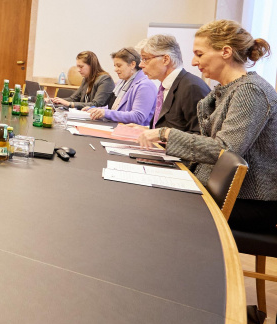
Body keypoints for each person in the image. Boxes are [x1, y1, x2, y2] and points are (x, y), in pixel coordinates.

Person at [138, 20, 277, 234]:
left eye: (200, 54)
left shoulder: (251, 90)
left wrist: (166, 134)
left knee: (159, 207)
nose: (193, 62)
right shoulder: (228, 89)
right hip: (228, 191)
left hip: (250, 200)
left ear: (226, 52)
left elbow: (225, 150)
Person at [125, 34, 210, 134]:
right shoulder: (165, 86)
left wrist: (159, 135)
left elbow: (201, 136)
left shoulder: (192, 87)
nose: (141, 65)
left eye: (145, 59)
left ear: (165, 59)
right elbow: (170, 126)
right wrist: (148, 130)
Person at [87, 47, 156, 125]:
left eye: (119, 66)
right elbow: (114, 108)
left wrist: (106, 113)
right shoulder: (121, 82)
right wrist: (95, 110)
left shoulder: (145, 86)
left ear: (132, 64)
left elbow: (138, 116)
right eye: (115, 66)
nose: (115, 69)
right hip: (117, 127)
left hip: (132, 133)